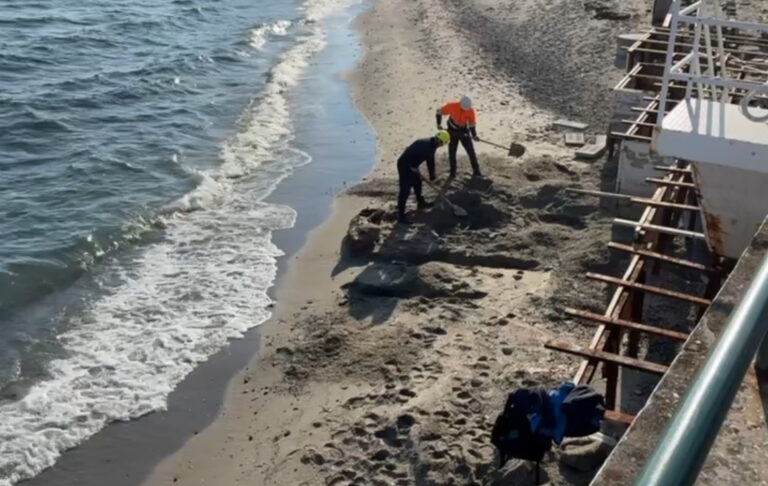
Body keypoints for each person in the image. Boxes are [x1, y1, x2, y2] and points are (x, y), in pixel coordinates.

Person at [397, 130, 451, 224]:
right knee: (405, 190)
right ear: (439, 141)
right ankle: (401, 216)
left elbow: (430, 161)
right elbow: (408, 154)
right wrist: (412, 167)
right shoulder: (426, 146)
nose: (442, 145)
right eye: (442, 143)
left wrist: (432, 176)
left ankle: (421, 203)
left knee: (418, 183)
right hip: (404, 165)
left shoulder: (432, 145)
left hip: (413, 165)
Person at [436, 96, 481, 178]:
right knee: (452, 152)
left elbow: (471, 124)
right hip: (452, 131)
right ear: (460, 104)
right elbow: (439, 111)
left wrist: (474, 135)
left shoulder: (470, 111)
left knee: (471, 151)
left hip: (463, 131)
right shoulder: (452, 106)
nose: (465, 110)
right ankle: (452, 172)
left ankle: (476, 171)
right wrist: (438, 124)